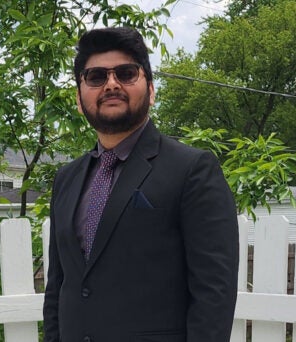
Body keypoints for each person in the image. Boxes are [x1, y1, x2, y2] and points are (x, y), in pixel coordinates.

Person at [43, 27, 239, 342]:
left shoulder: (192, 170)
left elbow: (214, 295)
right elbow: (59, 286)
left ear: (150, 90)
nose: (111, 84)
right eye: (95, 77)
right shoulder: (66, 178)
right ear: (79, 99)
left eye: (126, 73)